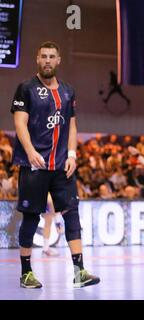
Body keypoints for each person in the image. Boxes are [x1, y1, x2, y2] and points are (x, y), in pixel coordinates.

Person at [11, 41, 100, 289]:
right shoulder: (25, 89)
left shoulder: (68, 91)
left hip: (62, 166)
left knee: (72, 213)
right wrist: (29, 152)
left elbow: (71, 124)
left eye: (52, 56)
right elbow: (20, 123)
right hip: (35, 166)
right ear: (37, 59)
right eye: (44, 57)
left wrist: (72, 153)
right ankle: (26, 273)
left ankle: (80, 271)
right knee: (31, 217)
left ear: (59, 60)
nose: (48, 60)